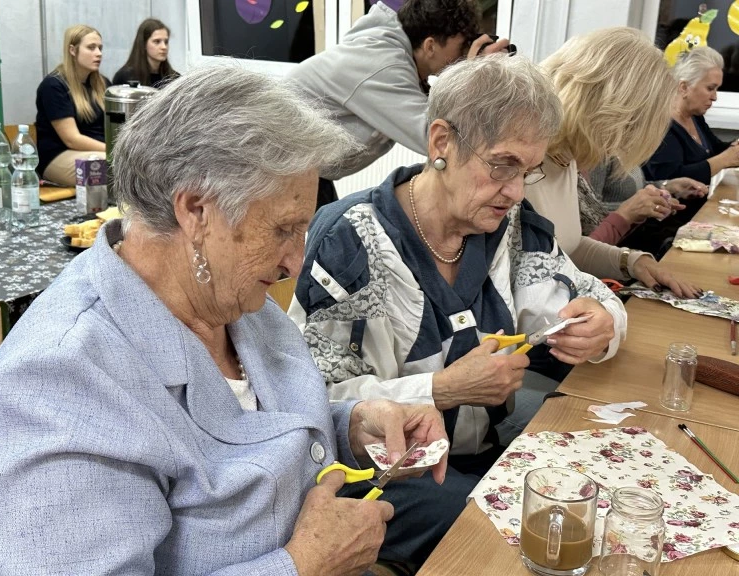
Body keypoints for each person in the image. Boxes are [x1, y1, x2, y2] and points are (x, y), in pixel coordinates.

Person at [0, 64, 452, 574]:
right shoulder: (61, 382)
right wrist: (302, 564)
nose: (296, 261)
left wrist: (352, 427)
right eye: (285, 229)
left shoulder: (232, 300)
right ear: (196, 211)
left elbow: (249, 422)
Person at [289, 55, 626, 474]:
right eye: (503, 166)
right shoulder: (352, 242)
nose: (517, 192)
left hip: (485, 459)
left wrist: (602, 323)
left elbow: (589, 298)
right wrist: (442, 390)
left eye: (528, 171)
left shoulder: (509, 228)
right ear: (442, 142)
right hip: (391, 479)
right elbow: (312, 401)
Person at [527, 27, 702, 299]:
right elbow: (533, 276)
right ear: (603, 109)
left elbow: (565, 249)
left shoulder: (565, 159)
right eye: (622, 132)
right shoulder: (522, 165)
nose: (613, 150)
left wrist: (632, 261)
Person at [287, 0, 510, 209]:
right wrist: (471, 75)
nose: (462, 55)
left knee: (327, 239)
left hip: (303, 166)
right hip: (276, 163)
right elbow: (438, 138)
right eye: (461, 46)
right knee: (323, 240)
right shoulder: (382, 66)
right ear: (430, 46)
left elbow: (443, 116)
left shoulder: (397, 56)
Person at [644, 47, 739, 186]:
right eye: (710, 88)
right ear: (684, 87)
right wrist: (725, 159)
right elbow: (669, 179)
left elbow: (715, 149)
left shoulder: (694, 116)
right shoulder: (661, 124)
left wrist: (735, 148)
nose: (715, 97)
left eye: (717, 89)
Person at [35, 24, 107, 186]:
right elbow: (72, 139)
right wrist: (114, 151)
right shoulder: (53, 86)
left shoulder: (102, 84)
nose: (98, 53)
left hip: (98, 151)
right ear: (73, 50)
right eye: (91, 47)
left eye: (100, 48)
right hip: (59, 156)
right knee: (112, 167)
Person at [113, 18, 180, 88]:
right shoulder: (125, 77)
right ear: (144, 44)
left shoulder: (175, 79)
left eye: (166, 42)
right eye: (157, 41)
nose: (164, 47)